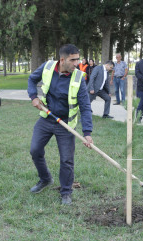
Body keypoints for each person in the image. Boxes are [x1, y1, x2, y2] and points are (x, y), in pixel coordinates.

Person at [27, 44, 93, 205]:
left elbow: (85, 107)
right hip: (46, 118)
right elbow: (32, 79)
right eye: (73, 60)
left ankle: (66, 192)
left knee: (66, 160)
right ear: (62, 60)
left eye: (78, 59)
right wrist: (33, 96)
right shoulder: (48, 67)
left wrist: (87, 133)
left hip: (66, 125)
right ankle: (45, 179)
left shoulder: (78, 77)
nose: (77, 63)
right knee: (35, 150)